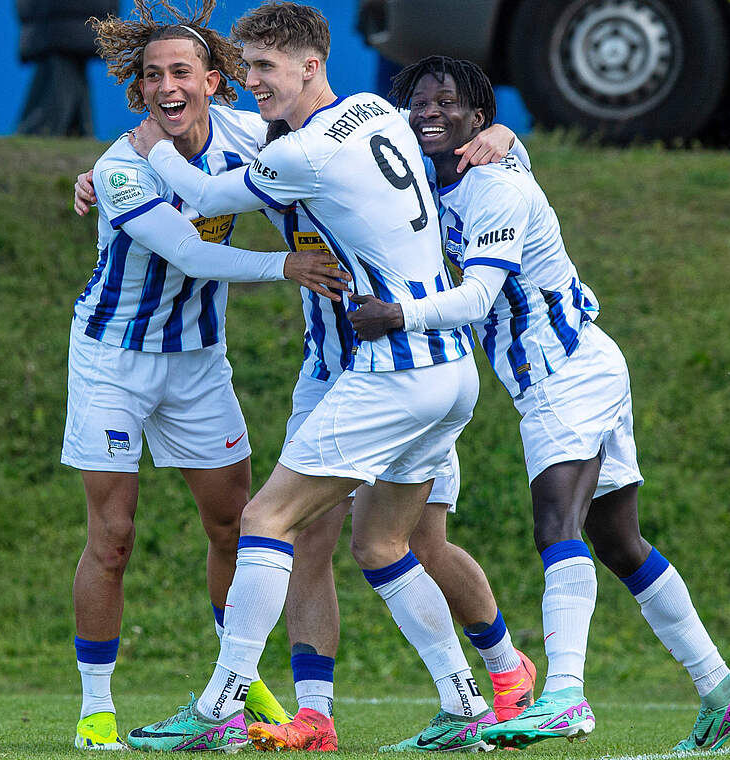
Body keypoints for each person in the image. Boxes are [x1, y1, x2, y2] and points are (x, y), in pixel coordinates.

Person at [349, 55, 730, 752]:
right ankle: (722, 689)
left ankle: (566, 695)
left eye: (446, 101)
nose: (428, 112)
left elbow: (480, 296)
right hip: (576, 368)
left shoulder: (497, 190)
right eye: (417, 101)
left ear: (477, 119)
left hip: (565, 373)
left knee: (556, 525)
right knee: (618, 542)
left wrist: (398, 315)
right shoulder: (429, 169)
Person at [119, 3, 498, 751]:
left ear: (309, 66)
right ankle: (465, 704)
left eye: (263, 68)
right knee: (383, 546)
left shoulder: (303, 154)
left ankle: (219, 706)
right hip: (451, 368)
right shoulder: (374, 110)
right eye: (246, 66)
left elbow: (201, 198)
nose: (249, 82)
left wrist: (149, 145)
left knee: (266, 520)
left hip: (391, 369)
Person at [64, 0, 350, 749]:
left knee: (234, 526)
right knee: (114, 538)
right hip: (113, 364)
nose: (166, 85)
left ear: (214, 82)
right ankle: (97, 704)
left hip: (197, 365)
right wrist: (286, 264)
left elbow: (330, 139)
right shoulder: (122, 166)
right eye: (152, 74)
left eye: (180, 71)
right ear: (139, 89)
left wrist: (496, 136)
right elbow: (189, 255)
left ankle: (239, 684)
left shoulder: (247, 134)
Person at [249, 119, 537, 753]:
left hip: (406, 367)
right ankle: (315, 715)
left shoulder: (374, 151)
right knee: (309, 539)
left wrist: (508, 133)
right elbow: (206, 138)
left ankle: (506, 666)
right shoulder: (266, 143)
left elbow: (464, 149)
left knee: (420, 545)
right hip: (328, 375)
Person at [15, 0, 117, 137]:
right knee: (65, 80)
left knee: (60, 82)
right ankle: (73, 133)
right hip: (64, 26)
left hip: (58, 26)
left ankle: (51, 132)